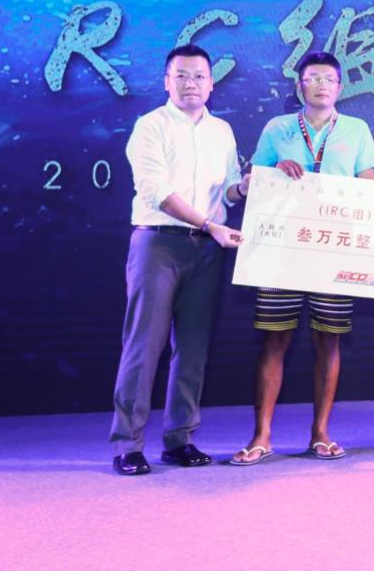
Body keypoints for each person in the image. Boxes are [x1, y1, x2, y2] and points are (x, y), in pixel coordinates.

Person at [230, 52, 374, 466]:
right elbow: (253, 182)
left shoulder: (356, 129)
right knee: (274, 339)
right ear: (299, 87)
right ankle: (261, 435)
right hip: (282, 249)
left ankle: (321, 432)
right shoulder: (277, 129)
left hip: (334, 247)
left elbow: (369, 184)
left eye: (329, 79)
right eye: (313, 78)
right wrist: (276, 168)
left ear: (340, 88)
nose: (321, 85)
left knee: (328, 340)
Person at [109, 44, 246, 476]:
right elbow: (157, 193)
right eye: (182, 76)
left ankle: (179, 439)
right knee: (144, 345)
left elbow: (227, 190)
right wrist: (209, 224)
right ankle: (127, 444)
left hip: (207, 249)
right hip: (159, 245)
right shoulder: (150, 126)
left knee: (193, 346)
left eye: (200, 76)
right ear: (167, 81)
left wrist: (243, 188)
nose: (191, 84)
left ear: (212, 83)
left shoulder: (222, 130)